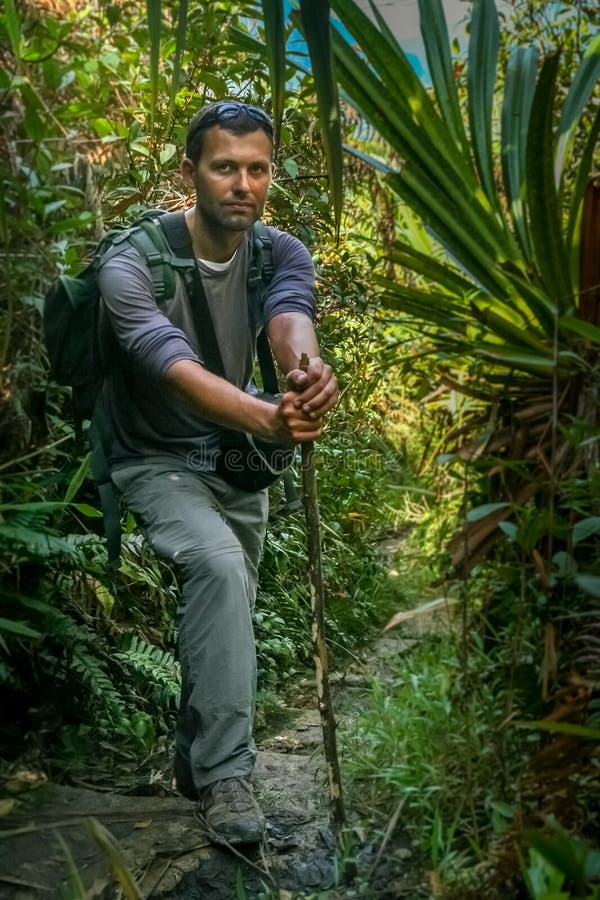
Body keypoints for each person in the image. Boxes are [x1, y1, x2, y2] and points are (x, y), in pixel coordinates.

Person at [96, 100, 339, 845]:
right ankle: (230, 777)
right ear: (189, 173)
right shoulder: (131, 264)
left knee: (227, 600)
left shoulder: (278, 251)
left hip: (238, 463)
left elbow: (289, 316)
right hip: (154, 459)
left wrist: (304, 376)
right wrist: (267, 416)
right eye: (225, 166)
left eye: (257, 168)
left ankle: (194, 764)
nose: (243, 183)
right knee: (220, 565)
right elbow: (169, 365)